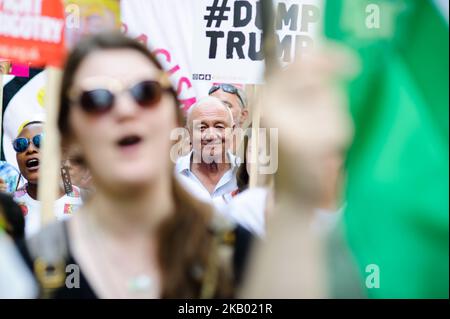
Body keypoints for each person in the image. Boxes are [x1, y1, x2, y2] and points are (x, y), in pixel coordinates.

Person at [21, 32, 233, 299]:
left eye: (146, 91)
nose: (125, 110)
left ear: (176, 121)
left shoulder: (239, 254)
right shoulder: (24, 272)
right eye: (96, 99)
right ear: (69, 134)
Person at [12, 121, 83, 238]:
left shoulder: (86, 202)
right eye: (20, 145)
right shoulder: (7, 207)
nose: (30, 150)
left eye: (40, 141)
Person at [176, 96, 238, 206]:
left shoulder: (246, 174)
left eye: (219, 126)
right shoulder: (172, 176)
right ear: (189, 133)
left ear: (232, 131)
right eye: (202, 128)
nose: (211, 135)